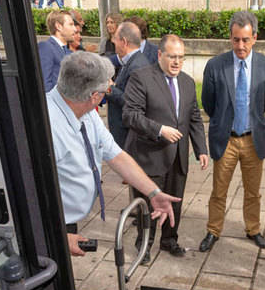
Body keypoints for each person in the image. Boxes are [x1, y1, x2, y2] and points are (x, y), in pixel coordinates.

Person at [48, 51, 180, 262]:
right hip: (49, 225)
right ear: (95, 96)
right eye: (108, 88)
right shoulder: (47, 127)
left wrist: (153, 192)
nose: (110, 91)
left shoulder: (86, 111)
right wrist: (57, 237)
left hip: (68, 220)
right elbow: (29, 196)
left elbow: (116, 155)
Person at [123, 35, 209, 263]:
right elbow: (130, 115)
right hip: (151, 156)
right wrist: (160, 129)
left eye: (181, 57)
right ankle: (144, 245)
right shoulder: (141, 78)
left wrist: (201, 148)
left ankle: (170, 240)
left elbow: (194, 118)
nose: (176, 62)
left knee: (175, 202)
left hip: (179, 157)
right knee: (150, 206)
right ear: (160, 55)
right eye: (172, 57)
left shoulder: (188, 82)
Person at [198, 11, 265, 252]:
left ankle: (253, 229)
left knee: (253, 192)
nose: (240, 45)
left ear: (254, 37)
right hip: (226, 139)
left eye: (245, 39)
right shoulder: (215, 65)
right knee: (218, 191)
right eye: (235, 40)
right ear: (230, 38)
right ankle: (213, 230)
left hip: (253, 139)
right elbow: (208, 103)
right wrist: (223, 121)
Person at [104, 22, 150, 148]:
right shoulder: (133, 61)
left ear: (124, 42)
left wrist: (109, 88)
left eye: (115, 40)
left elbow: (131, 102)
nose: (113, 43)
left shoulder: (137, 66)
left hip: (127, 135)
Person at [38, 10, 75, 91]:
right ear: (58, 26)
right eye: (71, 24)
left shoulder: (68, 52)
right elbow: (45, 85)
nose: (74, 29)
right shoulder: (46, 47)